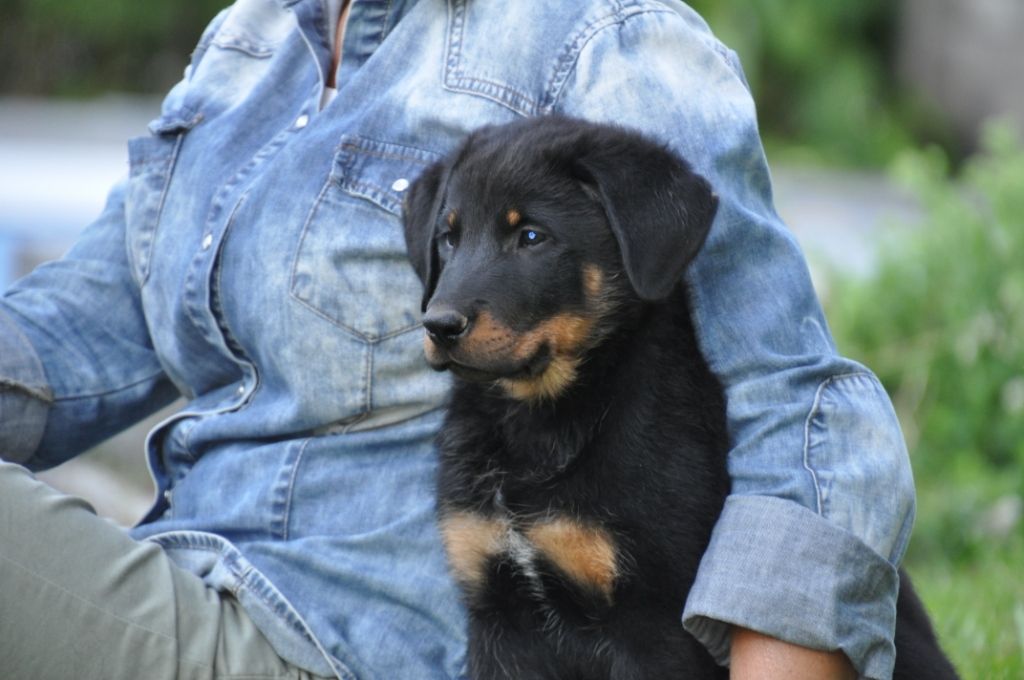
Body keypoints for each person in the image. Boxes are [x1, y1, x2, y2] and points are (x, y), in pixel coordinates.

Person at [0, 1, 914, 679]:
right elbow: (66, 346)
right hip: (167, 573)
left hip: (333, 643)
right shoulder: (244, 47)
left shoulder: (601, 37)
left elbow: (793, 398)